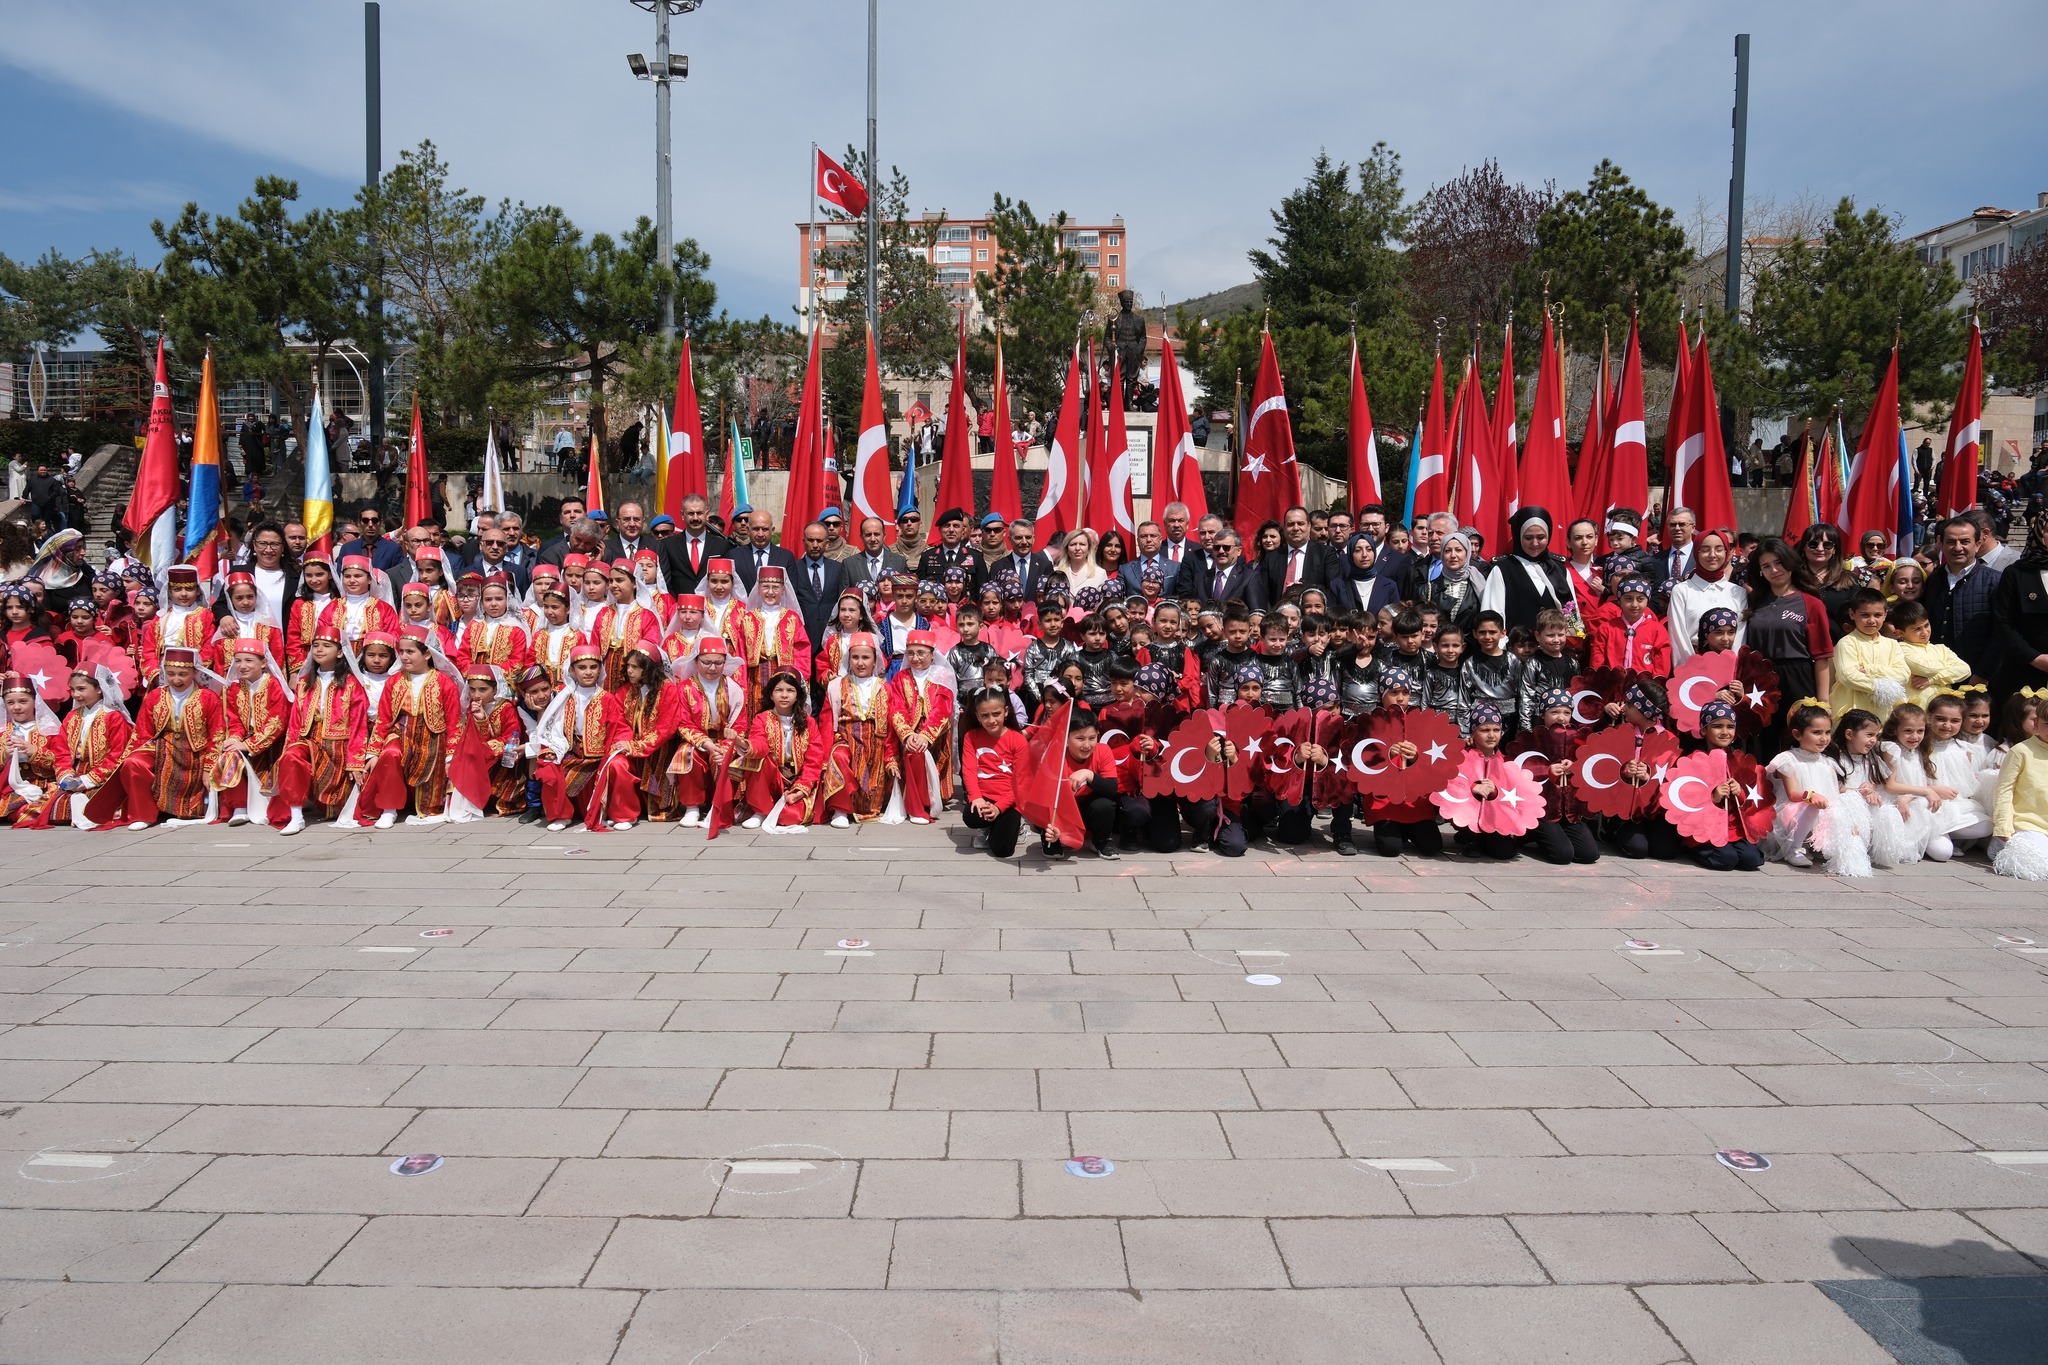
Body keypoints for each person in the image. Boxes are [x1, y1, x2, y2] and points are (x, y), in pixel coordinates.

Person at [1481, 507, 1570, 633]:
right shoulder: (1502, 569)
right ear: (1518, 536)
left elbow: (1572, 614)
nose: (1535, 543)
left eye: (1541, 537)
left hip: (1553, 644)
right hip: (1515, 644)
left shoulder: (1560, 569)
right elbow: (1493, 615)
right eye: (1528, 538)